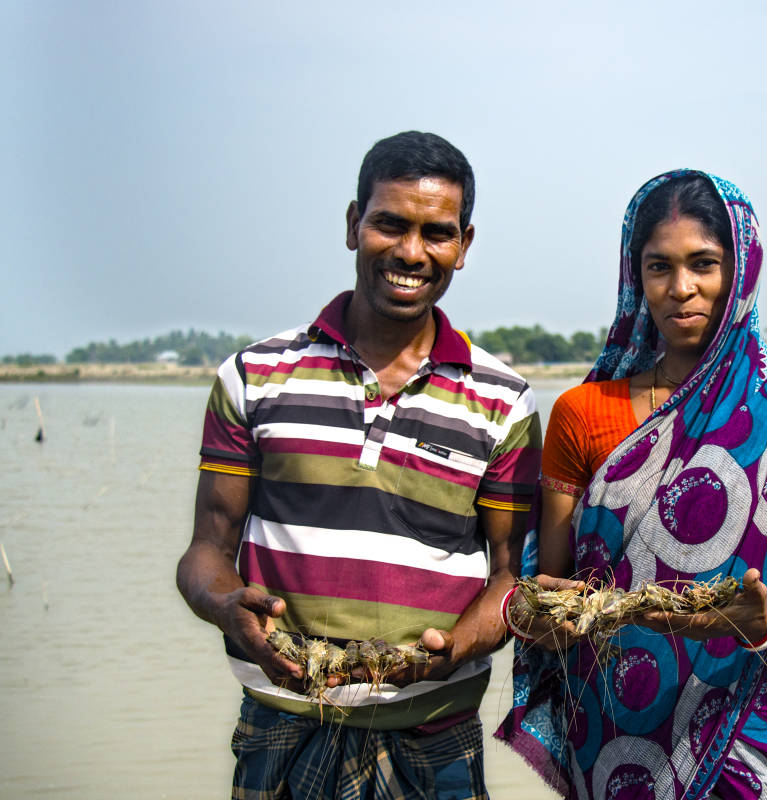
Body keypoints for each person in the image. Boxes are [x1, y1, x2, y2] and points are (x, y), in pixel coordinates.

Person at [176, 131, 542, 800]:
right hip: (284, 723)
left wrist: (455, 648)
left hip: (433, 735)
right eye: (390, 224)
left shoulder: (503, 402)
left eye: (436, 232)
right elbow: (207, 549)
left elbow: (511, 580)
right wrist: (229, 606)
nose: (410, 252)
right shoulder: (255, 377)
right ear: (354, 224)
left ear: (463, 245)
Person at [498, 171, 767, 800]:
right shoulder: (584, 414)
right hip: (623, 743)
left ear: (742, 271)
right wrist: (542, 612)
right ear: (635, 278)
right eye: (659, 268)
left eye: (704, 263)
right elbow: (547, 592)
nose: (681, 289)